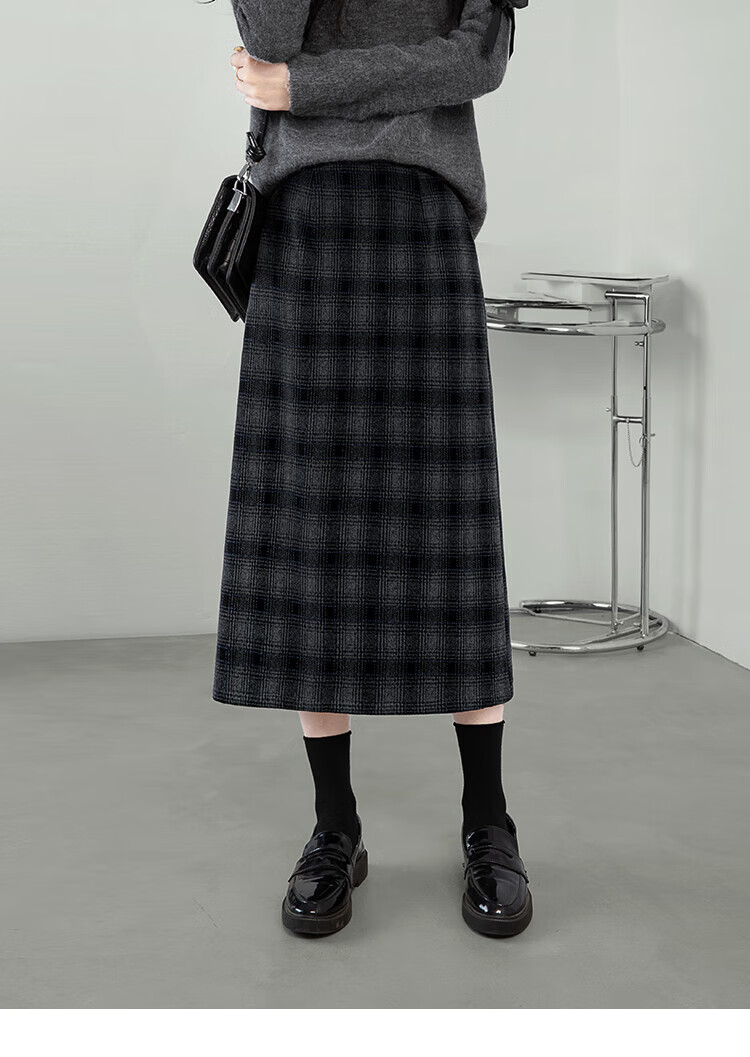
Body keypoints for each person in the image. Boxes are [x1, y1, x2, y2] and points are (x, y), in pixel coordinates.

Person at [208, 0, 531, 938]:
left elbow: (474, 60)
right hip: (304, 223)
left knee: (453, 539)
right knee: (314, 538)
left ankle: (489, 822)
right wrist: (289, 73)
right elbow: (270, 35)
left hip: (426, 215)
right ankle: (334, 827)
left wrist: (305, 87)